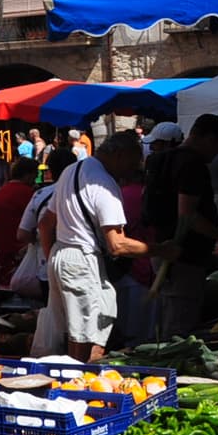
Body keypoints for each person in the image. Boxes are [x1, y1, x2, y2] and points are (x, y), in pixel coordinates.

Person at [38, 132, 150, 362]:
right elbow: (117, 245)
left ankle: (78, 381)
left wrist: (54, 259)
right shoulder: (104, 184)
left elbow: (45, 224)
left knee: (82, 330)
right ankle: (78, 384)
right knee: (84, 337)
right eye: (132, 162)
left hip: (63, 254)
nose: (132, 170)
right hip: (81, 259)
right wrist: (158, 250)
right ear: (119, 155)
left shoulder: (71, 170)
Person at [147, 115, 218, 339]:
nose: (216, 155)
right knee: (179, 328)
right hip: (183, 256)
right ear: (210, 139)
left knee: (167, 317)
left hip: (164, 251)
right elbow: (188, 215)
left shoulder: (161, 159)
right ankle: (171, 370)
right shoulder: (191, 164)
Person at [0, 158, 38, 290]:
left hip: (1, 247)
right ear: (28, 174)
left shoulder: (3, 190)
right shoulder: (27, 193)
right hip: (19, 248)